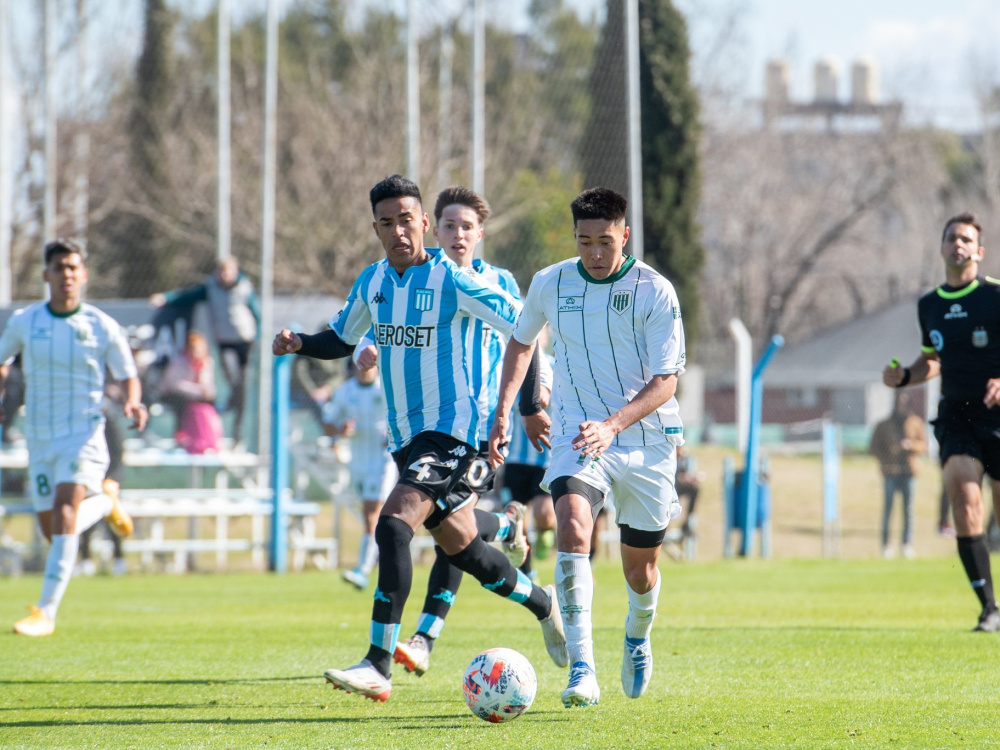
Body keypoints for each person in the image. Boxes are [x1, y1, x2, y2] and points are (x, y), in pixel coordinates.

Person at [271, 175, 566, 703]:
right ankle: (543, 603)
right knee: (465, 550)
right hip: (407, 436)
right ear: (376, 229)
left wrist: (527, 407)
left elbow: (523, 327)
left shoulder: (451, 279)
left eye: (406, 220)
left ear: (423, 223)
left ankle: (378, 663)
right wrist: (300, 343)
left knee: (392, 524)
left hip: (455, 432)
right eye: (387, 223)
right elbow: (341, 338)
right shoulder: (373, 281)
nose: (398, 231)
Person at [489, 187, 686, 707]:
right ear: (574, 237)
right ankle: (583, 669)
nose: (595, 253)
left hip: (646, 440)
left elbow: (667, 380)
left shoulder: (654, 290)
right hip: (578, 433)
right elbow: (522, 341)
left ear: (625, 235)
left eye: (605, 241)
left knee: (640, 571)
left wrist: (613, 426)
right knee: (573, 526)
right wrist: (514, 408)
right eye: (584, 242)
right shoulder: (550, 282)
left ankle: (637, 634)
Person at [391, 186, 533, 677]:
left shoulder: (499, 282)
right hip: (434, 424)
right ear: (435, 229)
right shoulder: (421, 278)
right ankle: (508, 525)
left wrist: (530, 403)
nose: (457, 234)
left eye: (466, 226)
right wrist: (367, 349)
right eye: (449, 225)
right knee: (451, 523)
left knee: (445, 527)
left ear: (480, 234)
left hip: (482, 424)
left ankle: (424, 638)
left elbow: (527, 336)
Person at [0, 238, 147, 636]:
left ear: (83, 275)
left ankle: (45, 612)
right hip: (39, 436)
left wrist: (134, 402)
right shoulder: (26, 321)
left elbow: (128, 373)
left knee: (66, 513)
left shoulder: (100, 325)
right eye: (59, 267)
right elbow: (2, 358)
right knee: (54, 531)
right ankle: (105, 503)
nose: (66, 274)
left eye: (72, 267)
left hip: (83, 433)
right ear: (46, 275)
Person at [882, 212, 1000, 632]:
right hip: (957, 414)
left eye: (966, 239)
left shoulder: (995, 296)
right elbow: (932, 360)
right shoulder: (929, 305)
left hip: (998, 415)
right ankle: (989, 608)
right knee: (965, 501)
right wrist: (905, 376)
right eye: (951, 238)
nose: (958, 244)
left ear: (979, 251)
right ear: (942, 247)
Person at [150, 256, 258, 445]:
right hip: (225, 341)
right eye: (222, 271)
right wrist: (166, 298)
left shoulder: (244, 288)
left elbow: (256, 314)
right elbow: (187, 296)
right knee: (233, 379)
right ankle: (232, 402)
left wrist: (257, 336)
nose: (225, 275)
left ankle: (238, 429)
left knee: (241, 383)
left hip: (243, 340)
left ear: (235, 272)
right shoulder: (211, 288)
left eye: (229, 271)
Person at [322, 362, 397, 590]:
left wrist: (394, 433)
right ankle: (383, 560)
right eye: (360, 364)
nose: (365, 368)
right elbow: (328, 423)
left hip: (382, 458)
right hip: (357, 460)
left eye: (370, 364)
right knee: (372, 514)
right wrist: (341, 430)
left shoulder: (388, 387)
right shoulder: (345, 391)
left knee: (371, 512)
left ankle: (363, 569)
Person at [868, 390, 928, 559]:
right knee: (888, 510)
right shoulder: (884, 425)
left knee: (908, 511)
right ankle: (886, 545)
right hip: (891, 472)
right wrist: (886, 458)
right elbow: (873, 448)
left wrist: (910, 445)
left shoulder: (916, 423)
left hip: (909, 472)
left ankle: (907, 544)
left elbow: (924, 446)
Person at [156, 331, 222, 454]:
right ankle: (181, 434)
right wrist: (198, 392)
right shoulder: (179, 361)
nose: (196, 351)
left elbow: (208, 385)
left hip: (194, 396)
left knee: (207, 404)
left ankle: (206, 437)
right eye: (193, 348)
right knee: (181, 402)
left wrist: (205, 391)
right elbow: (176, 385)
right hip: (171, 394)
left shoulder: (206, 362)